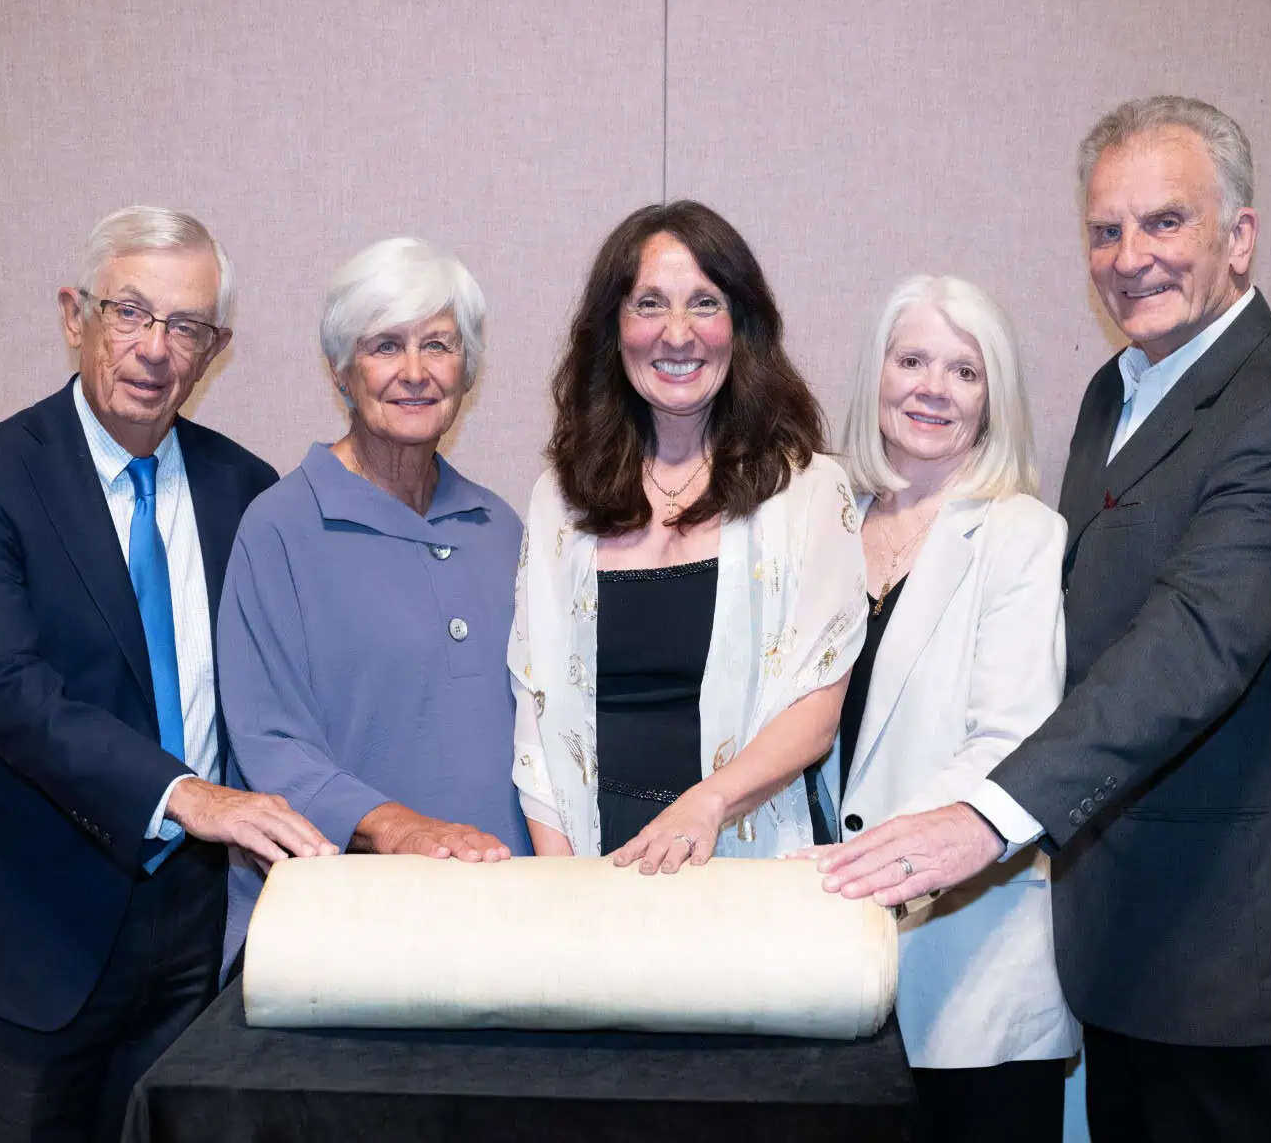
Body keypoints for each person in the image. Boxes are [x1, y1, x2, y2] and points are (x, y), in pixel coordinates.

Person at [817, 97, 1271, 1142]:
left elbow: (1190, 648)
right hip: (1113, 925)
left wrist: (984, 814)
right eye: (1106, 230)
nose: (1131, 257)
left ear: (1240, 237)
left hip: (1216, 936)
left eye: (1165, 222)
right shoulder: (1114, 391)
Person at [0, 206, 339, 1143]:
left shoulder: (245, 491)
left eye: (187, 326)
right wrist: (186, 795)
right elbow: (6, 693)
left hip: (198, 925)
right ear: (74, 315)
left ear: (215, 350)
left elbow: (275, 688)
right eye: (130, 312)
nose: (155, 349)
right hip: (34, 921)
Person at [511, 200, 867, 870]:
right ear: (614, 328)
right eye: (649, 304)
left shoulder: (810, 492)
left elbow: (816, 711)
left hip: (739, 855)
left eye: (705, 304)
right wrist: (563, 882)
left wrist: (706, 805)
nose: (677, 335)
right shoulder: (560, 498)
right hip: (595, 855)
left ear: (742, 327)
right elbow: (535, 707)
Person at [217, 237, 528, 965]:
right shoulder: (280, 527)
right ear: (340, 368)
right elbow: (269, 743)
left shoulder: (502, 527)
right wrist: (400, 828)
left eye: (438, 345)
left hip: (507, 917)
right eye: (385, 346)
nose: (415, 372)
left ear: (468, 368)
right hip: (341, 931)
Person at [826, 275, 1078, 1141]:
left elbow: (1011, 741)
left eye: (964, 371)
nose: (933, 388)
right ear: (877, 374)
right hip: (827, 967)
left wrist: (862, 868)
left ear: (991, 399)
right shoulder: (823, 523)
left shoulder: (1021, 534)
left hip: (972, 980)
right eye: (912, 361)